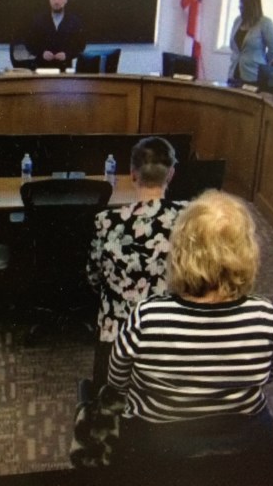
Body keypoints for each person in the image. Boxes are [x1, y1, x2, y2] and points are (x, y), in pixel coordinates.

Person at [108, 190, 273, 459]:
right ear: (247, 252)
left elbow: (117, 380)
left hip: (160, 442)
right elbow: (271, 374)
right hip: (244, 440)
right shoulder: (264, 315)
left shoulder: (148, 317)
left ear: (181, 251)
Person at [85, 137, 186, 386]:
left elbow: (93, 277)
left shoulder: (106, 221)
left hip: (116, 337)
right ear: (171, 174)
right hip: (169, 336)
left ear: (132, 174)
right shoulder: (188, 219)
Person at [25, 0, 86, 70]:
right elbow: (29, 43)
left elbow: (81, 46)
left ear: (66, 0)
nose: (56, 1)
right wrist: (42, 53)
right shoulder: (38, 20)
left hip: (65, 68)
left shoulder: (75, 22)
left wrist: (68, 55)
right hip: (42, 68)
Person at [228, 0, 273, 84]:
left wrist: (262, 63)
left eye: (243, 6)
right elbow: (233, 45)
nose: (240, 8)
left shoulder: (265, 23)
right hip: (234, 72)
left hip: (253, 74)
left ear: (251, 7)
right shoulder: (238, 21)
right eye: (240, 5)